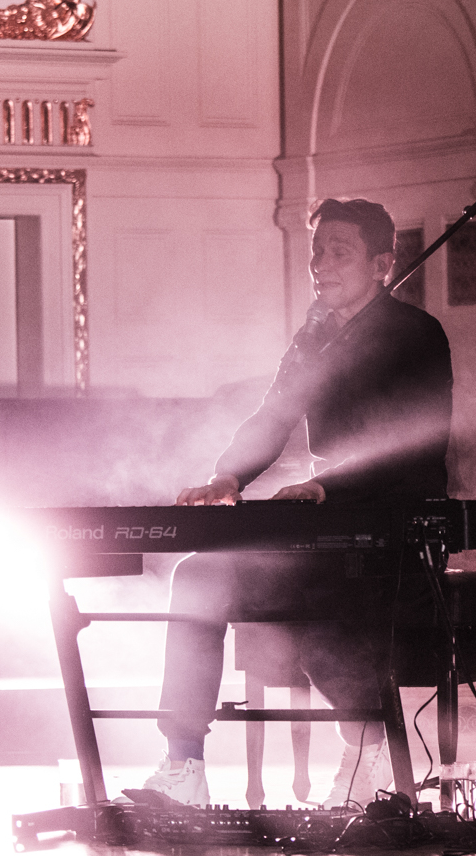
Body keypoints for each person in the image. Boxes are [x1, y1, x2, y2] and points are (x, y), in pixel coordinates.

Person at [129, 198, 453, 810]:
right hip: (327, 527)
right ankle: (184, 763)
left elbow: (418, 446)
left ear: (383, 263)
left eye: (339, 252)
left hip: (391, 527)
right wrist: (227, 476)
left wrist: (331, 486)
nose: (320, 264)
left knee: (323, 599)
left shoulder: (416, 335)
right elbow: (273, 415)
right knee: (199, 575)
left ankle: (366, 749)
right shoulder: (314, 338)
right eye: (317, 251)